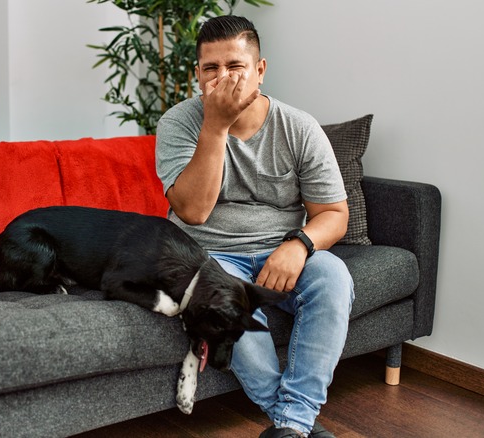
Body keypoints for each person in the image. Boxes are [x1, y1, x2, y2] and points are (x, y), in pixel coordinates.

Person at [155, 15, 354, 438]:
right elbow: (193, 211)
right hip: (206, 255)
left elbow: (334, 214)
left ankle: (288, 426)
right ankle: (295, 426)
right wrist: (216, 125)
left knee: (334, 276)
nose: (222, 78)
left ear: (260, 70)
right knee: (220, 295)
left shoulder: (298, 127)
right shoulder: (179, 123)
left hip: (280, 250)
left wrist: (299, 244)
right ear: (197, 75)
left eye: (235, 66)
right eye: (210, 69)